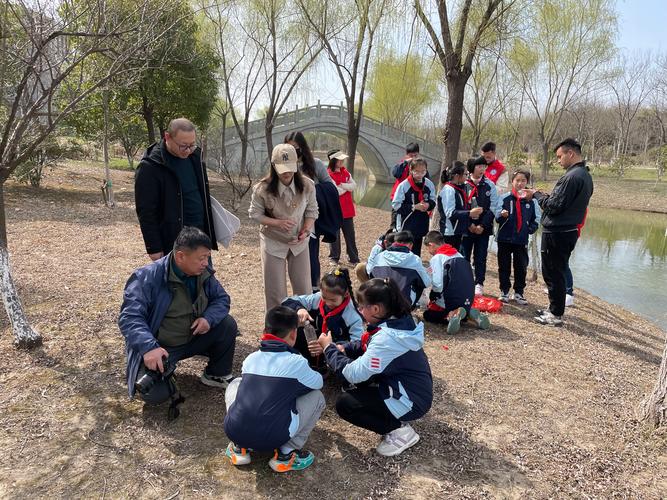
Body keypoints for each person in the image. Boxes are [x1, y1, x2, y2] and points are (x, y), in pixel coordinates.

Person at [118, 227, 238, 404]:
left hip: (192, 337)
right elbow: (129, 317)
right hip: (161, 347)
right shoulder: (146, 277)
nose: (206, 263)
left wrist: (208, 319)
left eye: (207, 257)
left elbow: (221, 299)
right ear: (181, 256)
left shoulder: (202, 273)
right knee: (155, 396)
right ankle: (161, 368)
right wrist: (149, 347)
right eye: (201, 258)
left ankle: (216, 373)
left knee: (226, 324)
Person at [318, 278, 433, 457]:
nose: (360, 311)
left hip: (411, 401)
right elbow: (367, 343)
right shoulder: (398, 320)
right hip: (411, 388)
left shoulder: (388, 339)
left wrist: (329, 349)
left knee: (345, 404)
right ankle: (392, 416)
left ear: (376, 308)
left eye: (362, 307)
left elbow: (353, 374)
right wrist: (344, 348)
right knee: (358, 378)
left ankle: (400, 432)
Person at [223, 306, 325, 473]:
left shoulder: (251, 359)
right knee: (317, 397)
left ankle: (239, 448)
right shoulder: (297, 362)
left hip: (235, 431)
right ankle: (287, 453)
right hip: (274, 437)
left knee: (236, 383)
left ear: (265, 331)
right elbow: (318, 382)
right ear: (293, 334)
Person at [524, 138, 593, 326]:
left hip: (558, 231)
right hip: (566, 230)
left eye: (560, 156)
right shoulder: (584, 175)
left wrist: (536, 195)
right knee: (556, 271)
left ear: (571, 153)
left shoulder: (572, 177)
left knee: (553, 272)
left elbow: (554, 206)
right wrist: (546, 196)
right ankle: (554, 308)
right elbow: (561, 202)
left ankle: (555, 314)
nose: (558, 160)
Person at [135, 118, 218, 261]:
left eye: (192, 145)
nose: (188, 150)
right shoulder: (150, 166)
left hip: (201, 238)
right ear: (167, 137)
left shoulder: (195, 156)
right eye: (183, 146)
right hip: (174, 242)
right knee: (177, 283)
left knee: (204, 281)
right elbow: (146, 211)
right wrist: (154, 247)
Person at [249, 144, 318, 311]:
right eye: (282, 168)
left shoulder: (307, 185)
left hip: (299, 242)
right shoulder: (262, 188)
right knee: (275, 291)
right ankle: (276, 330)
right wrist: (277, 223)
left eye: (290, 167)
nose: (286, 172)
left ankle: (304, 328)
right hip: (273, 241)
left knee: (304, 288)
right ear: (273, 166)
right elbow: (255, 214)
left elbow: (312, 210)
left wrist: (306, 229)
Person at [284, 132, 340, 292]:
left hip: (309, 221)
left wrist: (310, 189)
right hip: (288, 220)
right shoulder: (283, 166)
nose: (292, 151)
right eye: (288, 148)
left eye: (295, 148)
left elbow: (330, 187)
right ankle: (298, 293)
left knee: (310, 255)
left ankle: (314, 290)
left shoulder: (315, 165)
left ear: (302, 147)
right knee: (292, 258)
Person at [282, 267, 363, 368]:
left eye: (333, 300)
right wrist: (300, 309)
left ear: (346, 294)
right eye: (324, 297)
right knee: (288, 318)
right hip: (315, 345)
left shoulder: (352, 316)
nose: (328, 303)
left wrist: (329, 347)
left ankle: (328, 367)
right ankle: (307, 362)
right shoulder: (318, 298)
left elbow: (358, 345)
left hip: (336, 350)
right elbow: (286, 302)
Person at [422, 231, 490, 334]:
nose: (428, 251)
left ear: (431, 244)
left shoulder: (437, 258)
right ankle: (468, 313)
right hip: (467, 298)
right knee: (457, 308)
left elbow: (439, 284)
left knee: (428, 315)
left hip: (449, 299)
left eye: (428, 248)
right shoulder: (458, 254)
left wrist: (433, 297)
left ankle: (452, 314)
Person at [496, 169, 541, 305]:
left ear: (527, 182)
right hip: (504, 238)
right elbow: (497, 215)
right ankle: (504, 291)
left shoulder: (532, 201)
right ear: (512, 182)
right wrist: (501, 215)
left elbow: (537, 218)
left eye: (523, 181)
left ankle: (519, 293)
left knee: (521, 266)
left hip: (521, 239)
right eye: (517, 180)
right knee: (504, 265)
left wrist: (530, 228)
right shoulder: (505, 198)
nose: (520, 183)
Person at [460, 156, 500, 296]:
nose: (482, 169)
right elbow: (460, 205)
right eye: (479, 166)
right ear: (471, 168)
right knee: (464, 255)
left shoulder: (490, 185)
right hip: (466, 227)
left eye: (484, 166)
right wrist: (469, 224)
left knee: (480, 256)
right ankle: (464, 281)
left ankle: (479, 283)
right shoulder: (463, 184)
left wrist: (482, 225)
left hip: (484, 228)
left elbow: (494, 207)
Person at [368, 231, 431, 308]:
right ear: (411, 245)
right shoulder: (414, 259)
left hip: (379, 302)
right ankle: (409, 310)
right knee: (419, 282)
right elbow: (426, 283)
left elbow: (370, 275)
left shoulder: (379, 256)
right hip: (403, 304)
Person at [391, 157, 437, 257]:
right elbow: (396, 205)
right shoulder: (404, 185)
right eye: (417, 171)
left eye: (423, 171)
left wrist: (428, 205)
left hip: (420, 224)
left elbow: (433, 200)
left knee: (416, 253)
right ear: (411, 170)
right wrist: (414, 207)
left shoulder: (429, 184)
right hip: (406, 224)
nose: (420, 174)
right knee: (403, 252)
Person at [437, 161, 484, 251]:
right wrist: (469, 213)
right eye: (465, 174)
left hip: (457, 231)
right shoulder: (449, 190)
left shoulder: (459, 188)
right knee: (447, 259)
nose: (467, 177)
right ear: (457, 176)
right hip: (449, 232)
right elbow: (450, 213)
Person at [327, 150, 360, 265]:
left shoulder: (346, 172)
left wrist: (343, 185)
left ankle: (354, 258)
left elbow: (354, 185)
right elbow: (336, 191)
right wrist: (346, 187)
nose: (342, 161)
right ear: (333, 160)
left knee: (350, 235)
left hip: (348, 209)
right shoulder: (328, 174)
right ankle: (334, 258)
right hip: (335, 210)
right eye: (339, 159)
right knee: (334, 236)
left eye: (342, 159)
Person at [389, 142, 423, 228]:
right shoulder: (402, 165)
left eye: (415, 156)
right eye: (411, 156)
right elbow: (395, 173)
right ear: (407, 155)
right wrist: (405, 163)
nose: (413, 158)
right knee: (395, 226)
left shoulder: (420, 167)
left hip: (413, 201)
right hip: (399, 199)